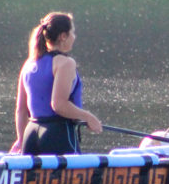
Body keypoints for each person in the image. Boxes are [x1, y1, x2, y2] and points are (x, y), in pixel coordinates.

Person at [11, 12, 102, 155]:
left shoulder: (29, 63)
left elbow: (21, 110)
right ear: (63, 36)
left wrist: (21, 139)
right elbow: (59, 105)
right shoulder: (65, 63)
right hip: (57, 134)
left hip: (31, 134)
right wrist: (89, 117)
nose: (74, 37)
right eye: (72, 32)